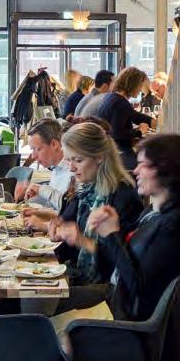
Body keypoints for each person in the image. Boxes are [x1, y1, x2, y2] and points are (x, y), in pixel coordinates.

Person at [85, 133, 180, 320]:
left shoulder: (176, 224)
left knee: (48, 318)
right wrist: (105, 231)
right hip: (117, 300)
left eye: (142, 164)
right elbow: (111, 265)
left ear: (166, 169)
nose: (135, 170)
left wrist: (112, 235)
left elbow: (140, 288)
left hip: (129, 319)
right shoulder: (153, 212)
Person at [45, 123, 144, 289]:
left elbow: (121, 267)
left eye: (78, 160)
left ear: (99, 157)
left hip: (103, 290)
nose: (72, 168)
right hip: (78, 276)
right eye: (68, 160)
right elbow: (71, 248)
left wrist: (82, 241)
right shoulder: (86, 190)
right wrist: (60, 235)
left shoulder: (123, 197)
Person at [98, 67, 156, 170]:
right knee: (148, 165)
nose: (140, 90)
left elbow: (133, 115)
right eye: (140, 86)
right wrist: (139, 132)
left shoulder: (112, 97)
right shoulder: (120, 102)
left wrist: (151, 121)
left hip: (108, 151)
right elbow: (117, 133)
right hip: (117, 154)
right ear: (133, 84)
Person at [15, 119, 75, 211]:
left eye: (37, 149)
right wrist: (34, 194)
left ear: (54, 144)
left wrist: (41, 189)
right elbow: (53, 205)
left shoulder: (74, 170)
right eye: (32, 150)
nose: (33, 156)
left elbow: (69, 209)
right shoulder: (56, 169)